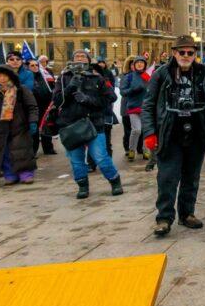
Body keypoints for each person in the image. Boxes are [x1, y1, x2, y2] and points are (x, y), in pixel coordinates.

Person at [142, 35, 205, 237]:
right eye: (182, 52)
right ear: (174, 53)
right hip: (169, 133)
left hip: (197, 132)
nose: (186, 55)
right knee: (167, 177)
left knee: (191, 176)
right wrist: (150, 132)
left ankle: (187, 213)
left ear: (195, 54)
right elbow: (148, 105)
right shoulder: (161, 74)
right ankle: (164, 217)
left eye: (190, 52)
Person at [52, 49, 122, 199]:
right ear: (72, 60)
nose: (79, 58)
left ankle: (115, 180)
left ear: (89, 60)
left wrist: (88, 99)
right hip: (71, 125)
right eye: (76, 56)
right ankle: (83, 186)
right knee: (76, 160)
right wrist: (70, 88)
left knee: (101, 157)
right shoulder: (64, 78)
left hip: (93, 124)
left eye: (83, 56)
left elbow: (111, 97)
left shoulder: (97, 77)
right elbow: (57, 101)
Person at [0, 64, 39, 185]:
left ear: (10, 76)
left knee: (22, 150)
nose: (1, 78)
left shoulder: (21, 90)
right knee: (4, 152)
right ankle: (10, 174)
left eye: (4, 75)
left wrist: (33, 121)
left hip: (20, 126)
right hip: (1, 128)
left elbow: (32, 107)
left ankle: (25, 174)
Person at [120, 56, 150, 162]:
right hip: (133, 107)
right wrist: (132, 90)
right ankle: (131, 150)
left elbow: (154, 89)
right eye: (138, 63)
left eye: (142, 62)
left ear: (145, 65)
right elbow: (122, 92)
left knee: (146, 130)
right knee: (136, 130)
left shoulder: (148, 75)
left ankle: (146, 150)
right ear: (134, 65)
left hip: (146, 107)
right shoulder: (129, 76)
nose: (140, 64)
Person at [26, 58, 56, 155]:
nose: (35, 67)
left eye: (36, 65)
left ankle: (48, 149)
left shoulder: (43, 75)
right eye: (32, 65)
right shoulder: (27, 78)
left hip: (45, 106)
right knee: (34, 130)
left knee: (46, 128)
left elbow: (50, 88)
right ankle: (33, 150)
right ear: (27, 67)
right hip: (33, 107)